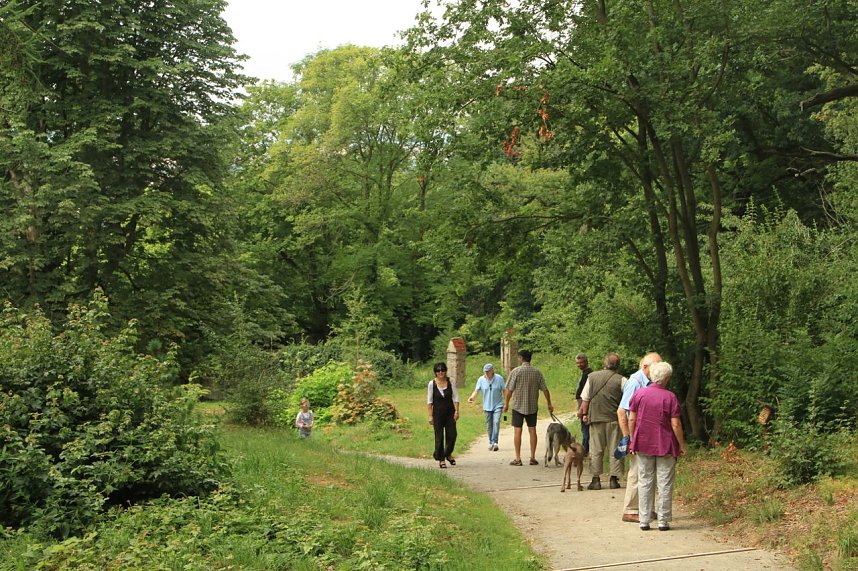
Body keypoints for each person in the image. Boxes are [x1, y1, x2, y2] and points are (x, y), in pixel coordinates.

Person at [629, 361, 686, 531]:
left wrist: (633, 439)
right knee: (664, 482)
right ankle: (663, 520)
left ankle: (644, 520)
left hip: (643, 442)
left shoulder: (639, 394)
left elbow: (632, 418)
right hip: (665, 444)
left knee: (645, 481)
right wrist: (681, 445)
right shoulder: (670, 397)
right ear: (667, 378)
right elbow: (675, 424)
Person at [616, 352, 662, 522]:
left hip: (644, 437)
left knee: (646, 474)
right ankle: (631, 510)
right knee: (636, 473)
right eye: (656, 367)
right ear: (645, 367)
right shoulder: (635, 383)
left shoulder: (648, 382)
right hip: (636, 437)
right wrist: (628, 438)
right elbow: (622, 412)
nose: (659, 370)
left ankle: (645, 509)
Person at [576, 352, 625, 490]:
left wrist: (584, 414)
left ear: (605, 364)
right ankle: (614, 480)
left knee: (596, 449)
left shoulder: (591, 377)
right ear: (618, 365)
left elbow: (585, 399)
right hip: (614, 420)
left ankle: (596, 480)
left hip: (596, 419)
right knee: (616, 450)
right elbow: (627, 400)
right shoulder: (622, 380)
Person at [503, 350, 555, 466]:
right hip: (532, 406)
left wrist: (506, 404)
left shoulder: (516, 371)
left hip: (518, 406)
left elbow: (509, 390)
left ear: (521, 358)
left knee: (517, 431)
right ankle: (532, 457)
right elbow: (545, 389)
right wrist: (549, 403)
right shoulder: (537, 372)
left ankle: (518, 458)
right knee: (532, 431)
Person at [427, 362, 460, 469]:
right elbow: (429, 401)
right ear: (435, 372)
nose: (440, 372)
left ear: (445, 371)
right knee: (439, 437)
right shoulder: (432, 384)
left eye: (442, 370)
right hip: (437, 414)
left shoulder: (451, 381)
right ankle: (441, 459)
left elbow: (456, 397)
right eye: (438, 371)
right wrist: (430, 416)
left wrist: (457, 411)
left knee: (452, 435)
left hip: (450, 412)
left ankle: (447, 453)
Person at [468, 363, 506, 451]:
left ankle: (495, 442)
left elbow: (504, 390)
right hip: (487, 406)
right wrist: (472, 397)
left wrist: (506, 402)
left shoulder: (499, 378)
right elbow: (476, 390)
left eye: (488, 371)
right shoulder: (481, 379)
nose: (486, 373)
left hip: (498, 405)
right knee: (489, 425)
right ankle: (490, 442)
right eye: (485, 372)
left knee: (496, 422)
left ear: (492, 371)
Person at [574, 353, 593, 455]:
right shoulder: (585, 373)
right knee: (584, 430)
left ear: (586, 362)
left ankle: (584, 451)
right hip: (582, 403)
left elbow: (586, 395)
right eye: (577, 363)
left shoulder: (588, 374)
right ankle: (584, 450)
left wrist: (581, 409)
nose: (579, 365)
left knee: (585, 430)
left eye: (581, 363)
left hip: (584, 404)